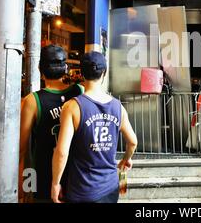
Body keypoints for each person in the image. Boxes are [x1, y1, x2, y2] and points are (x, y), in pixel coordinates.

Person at [51, 51, 137, 203]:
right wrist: (126, 159)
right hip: (111, 188)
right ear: (104, 72)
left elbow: (62, 152)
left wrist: (55, 183)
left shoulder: (72, 107)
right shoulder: (118, 107)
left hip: (82, 190)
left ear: (81, 73)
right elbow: (133, 142)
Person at [19, 45, 84, 202]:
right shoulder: (79, 92)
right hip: (77, 177)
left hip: (44, 179)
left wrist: (26, 185)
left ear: (40, 68)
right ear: (66, 68)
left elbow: (22, 149)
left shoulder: (33, 101)